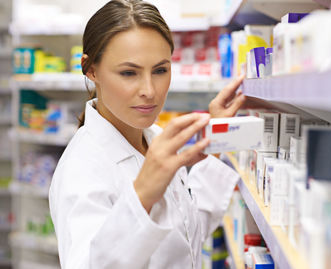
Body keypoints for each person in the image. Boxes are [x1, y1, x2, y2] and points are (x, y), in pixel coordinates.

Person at [49, 0, 246, 268]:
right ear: (91, 69)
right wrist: (143, 193)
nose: (150, 90)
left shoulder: (154, 138)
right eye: (129, 72)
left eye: (160, 70)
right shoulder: (82, 169)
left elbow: (189, 234)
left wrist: (218, 140)